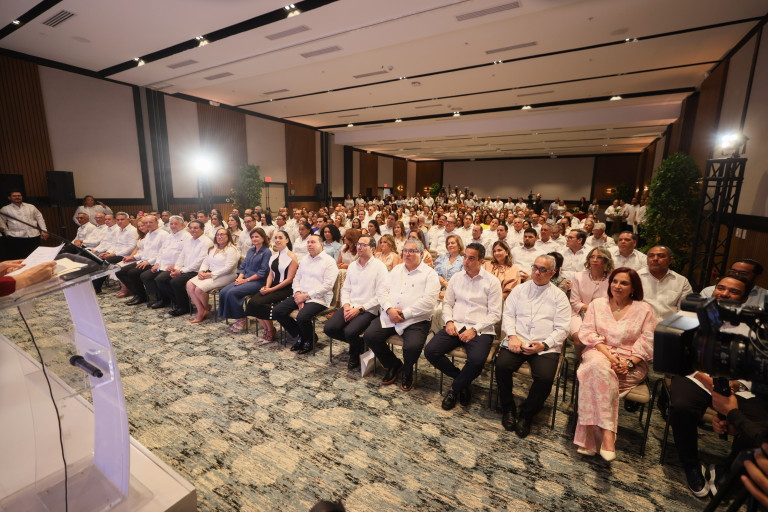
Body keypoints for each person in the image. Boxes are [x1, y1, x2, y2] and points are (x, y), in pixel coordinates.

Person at [668, 274, 759, 497]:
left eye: (733, 291)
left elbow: (756, 366)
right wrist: (704, 378)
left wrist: (737, 384)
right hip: (695, 377)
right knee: (681, 406)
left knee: (757, 423)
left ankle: (726, 469)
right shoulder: (689, 314)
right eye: (721, 288)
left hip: (735, 384)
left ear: (744, 298)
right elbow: (675, 353)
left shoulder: (755, 326)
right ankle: (691, 464)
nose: (724, 293)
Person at [574, 267, 656, 461]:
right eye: (614, 281)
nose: (617, 286)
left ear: (633, 287)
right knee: (597, 366)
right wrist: (609, 357)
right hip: (599, 351)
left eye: (624, 283)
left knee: (594, 376)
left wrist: (628, 363)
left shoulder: (645, 309)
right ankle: (608, 434)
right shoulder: (597, 304)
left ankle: (589, 441)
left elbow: (648, 341)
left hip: (631, 362)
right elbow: (587, 332)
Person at [495, 255, 570, 438]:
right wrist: (512, 336)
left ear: (552, 273)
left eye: (542, 269)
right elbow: (508, 315)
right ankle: (508, 408)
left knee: (545, 377)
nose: (536, 272)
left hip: (544, 345)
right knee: (502, 366)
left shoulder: (559, 297)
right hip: (517, 340)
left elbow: (563, 328)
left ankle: (527, 414)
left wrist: (544, 344)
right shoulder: (519, 290)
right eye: (535, 267)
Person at [426, 243, 502, 409]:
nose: (466, 261)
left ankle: (454, 389)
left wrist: (474, 330)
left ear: (481, 261)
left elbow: (495, 314)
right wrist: (449, 321)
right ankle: (463, 381)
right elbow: (447, 304)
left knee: (476, 361)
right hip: (456, 324)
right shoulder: (456, 278)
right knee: (430, 351)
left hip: (480, 329)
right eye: (465, 257)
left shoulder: (492, 282)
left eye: (471, 258)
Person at [363, 238, 440, 391]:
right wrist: (389, 309)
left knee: (412, 347)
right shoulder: (396, 270)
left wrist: (404, 315)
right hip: (391, 315)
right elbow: (382, 291)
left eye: (411, 251)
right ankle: (393, 364)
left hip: (416, 320)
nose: (407, 254)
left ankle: (407, 371)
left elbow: (429, 303)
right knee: (370, 336)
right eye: (405, 250)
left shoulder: (430, 274)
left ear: (421, 253)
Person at [324, 235, 388, 370]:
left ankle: (354, 354)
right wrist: (346, 305)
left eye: (363, 245)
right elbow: (346, 289)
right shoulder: (353, 266)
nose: (359, 247)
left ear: (372, 249)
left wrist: (359, 309)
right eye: (358, 244)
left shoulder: (380, 267)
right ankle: (360, 344)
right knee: (329, 329)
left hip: (369, 309)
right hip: (350, 305)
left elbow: (380, 296)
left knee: (350, 332)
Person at [272, 234, 338, 354]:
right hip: (300, 294)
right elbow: (296, 279)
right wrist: (297, 292)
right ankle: (302, 335)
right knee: (277, 311)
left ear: (321, 244)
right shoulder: (304, 259)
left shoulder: (329, 261)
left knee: (302, 317)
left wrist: (306, 296)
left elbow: (328, 286)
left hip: (319, 298)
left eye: (313, 242)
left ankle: (309, 340)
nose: (309, 244)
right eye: (308, 242)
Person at [243, 230, 298, 339]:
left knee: (258, 304)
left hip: (285, 288)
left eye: (280, 238)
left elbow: (289, 279)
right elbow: (270, 274)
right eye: (276, 238)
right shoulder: (274, 255)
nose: (277, 240)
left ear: (287, 240)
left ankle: (271, 330)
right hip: (272, 286)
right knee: (252, 303)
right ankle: (268, 329)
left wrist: (271, 290)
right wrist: (267, 286)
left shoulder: (292, 257)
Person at [218, 227, 272, 331]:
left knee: (232, 293)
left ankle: (242, 318)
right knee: (224, 292)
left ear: (263, 238)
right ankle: (236, 317)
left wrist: (245, 280)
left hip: (258, 281)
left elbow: (262, 272)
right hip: (245, 279)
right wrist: (240, 278)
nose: (254, 239)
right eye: (252, 237)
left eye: (257, 236)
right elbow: (243, 266)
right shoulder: (251, 250)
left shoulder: (267, 252)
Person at [155, 220, 213, 316]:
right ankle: (178, 302)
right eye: (191, 228)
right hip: (184, 269)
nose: (192, 230)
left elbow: (199, 262)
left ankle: (184, 307)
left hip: (198, 271)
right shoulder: (189, 240)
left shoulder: (207, 242)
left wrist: (181, 271)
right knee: (161, 279)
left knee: (175, 282)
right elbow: (182, 256)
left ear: (203, 229)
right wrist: (176, 269)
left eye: (196, 228)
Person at [185, 227, 240, 323]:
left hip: (226, 275)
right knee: (189, 284)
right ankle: (202, 309)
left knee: (198, 289)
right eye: (218, 235)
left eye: (222, 234)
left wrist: (211, 274)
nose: (219, 237)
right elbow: (206, 261)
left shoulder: (231, 249)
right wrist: (201, 271)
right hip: (211, 273)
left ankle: (204, 309)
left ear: (228, 236)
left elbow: (229, 268)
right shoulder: (214, 247)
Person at [569, 247, 614, 357]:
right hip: (579, 314)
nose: (595, 259)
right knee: (580, 339)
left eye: (599, 257)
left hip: (604, 316)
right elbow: (574, 303)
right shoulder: (579, 276)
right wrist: (593, 308)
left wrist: (598, 311)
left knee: (603, 341)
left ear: (606, 260)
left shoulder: (612, 278)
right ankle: (578, 361)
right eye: (592, 257)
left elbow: (614, 302)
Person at [142, 216, 191, 308]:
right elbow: (161, 251)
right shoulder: (169, 236)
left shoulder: (187, 237)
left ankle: (176, 301)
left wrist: (176, 265)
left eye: (176, 224)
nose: (173, 226)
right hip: (163, 265)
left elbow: (187, 255)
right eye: (171, 224)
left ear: (182, 225)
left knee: (160, 279)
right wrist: (157, 263)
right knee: (146, 276)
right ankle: (161, 299)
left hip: (175, 266)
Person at [117, 215, 168, 304]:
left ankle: (142, 296)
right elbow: (145, 251)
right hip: (144, 260)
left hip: (155, 262)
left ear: (157, 222)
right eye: (146, 223)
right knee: (120, 271)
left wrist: (148, 262)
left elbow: (163, 253)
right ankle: (137, 293)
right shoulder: (148, 234)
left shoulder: (163, 234)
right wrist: (134, 257)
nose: (148, 224)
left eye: (150, 222)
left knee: (132, 273)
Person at [639, 245, 693, 321]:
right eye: (651, 256)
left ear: (670, 260)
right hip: (641, 323)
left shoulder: (681, 281)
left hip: (670, 325)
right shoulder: (636, 277)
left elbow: (685, 311)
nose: (655, 259)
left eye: (661, 256)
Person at [0, 190, 49, 260]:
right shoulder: (5, 209)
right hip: (16, 237)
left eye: (19, 195)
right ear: (9, 198)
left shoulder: (31, 207)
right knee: (21, 258)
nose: (17, 197)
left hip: (34, 235)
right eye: (14, 196)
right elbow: (2, 222)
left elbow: (39, 218)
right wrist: (7, 233)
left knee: (36, 257)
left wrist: (44, 230)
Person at [700, 259, 766, 308]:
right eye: (733, 272)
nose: (736, 275)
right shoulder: (708, 291)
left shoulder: (765, 295)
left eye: (743, 273)